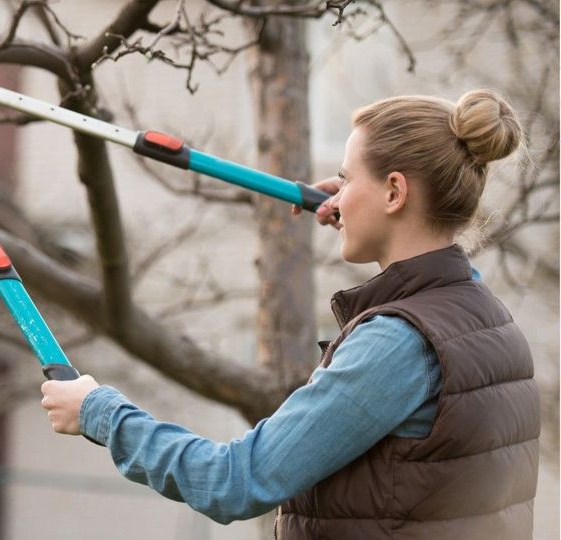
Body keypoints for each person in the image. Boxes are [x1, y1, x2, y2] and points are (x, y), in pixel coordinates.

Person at [40, 89, 540, 540]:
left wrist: (98, 412)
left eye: (346, 179)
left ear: (394, 192)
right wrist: (366, 216)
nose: (336, 194)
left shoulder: (396, 343)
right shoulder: (484, 316)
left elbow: (235, 481)